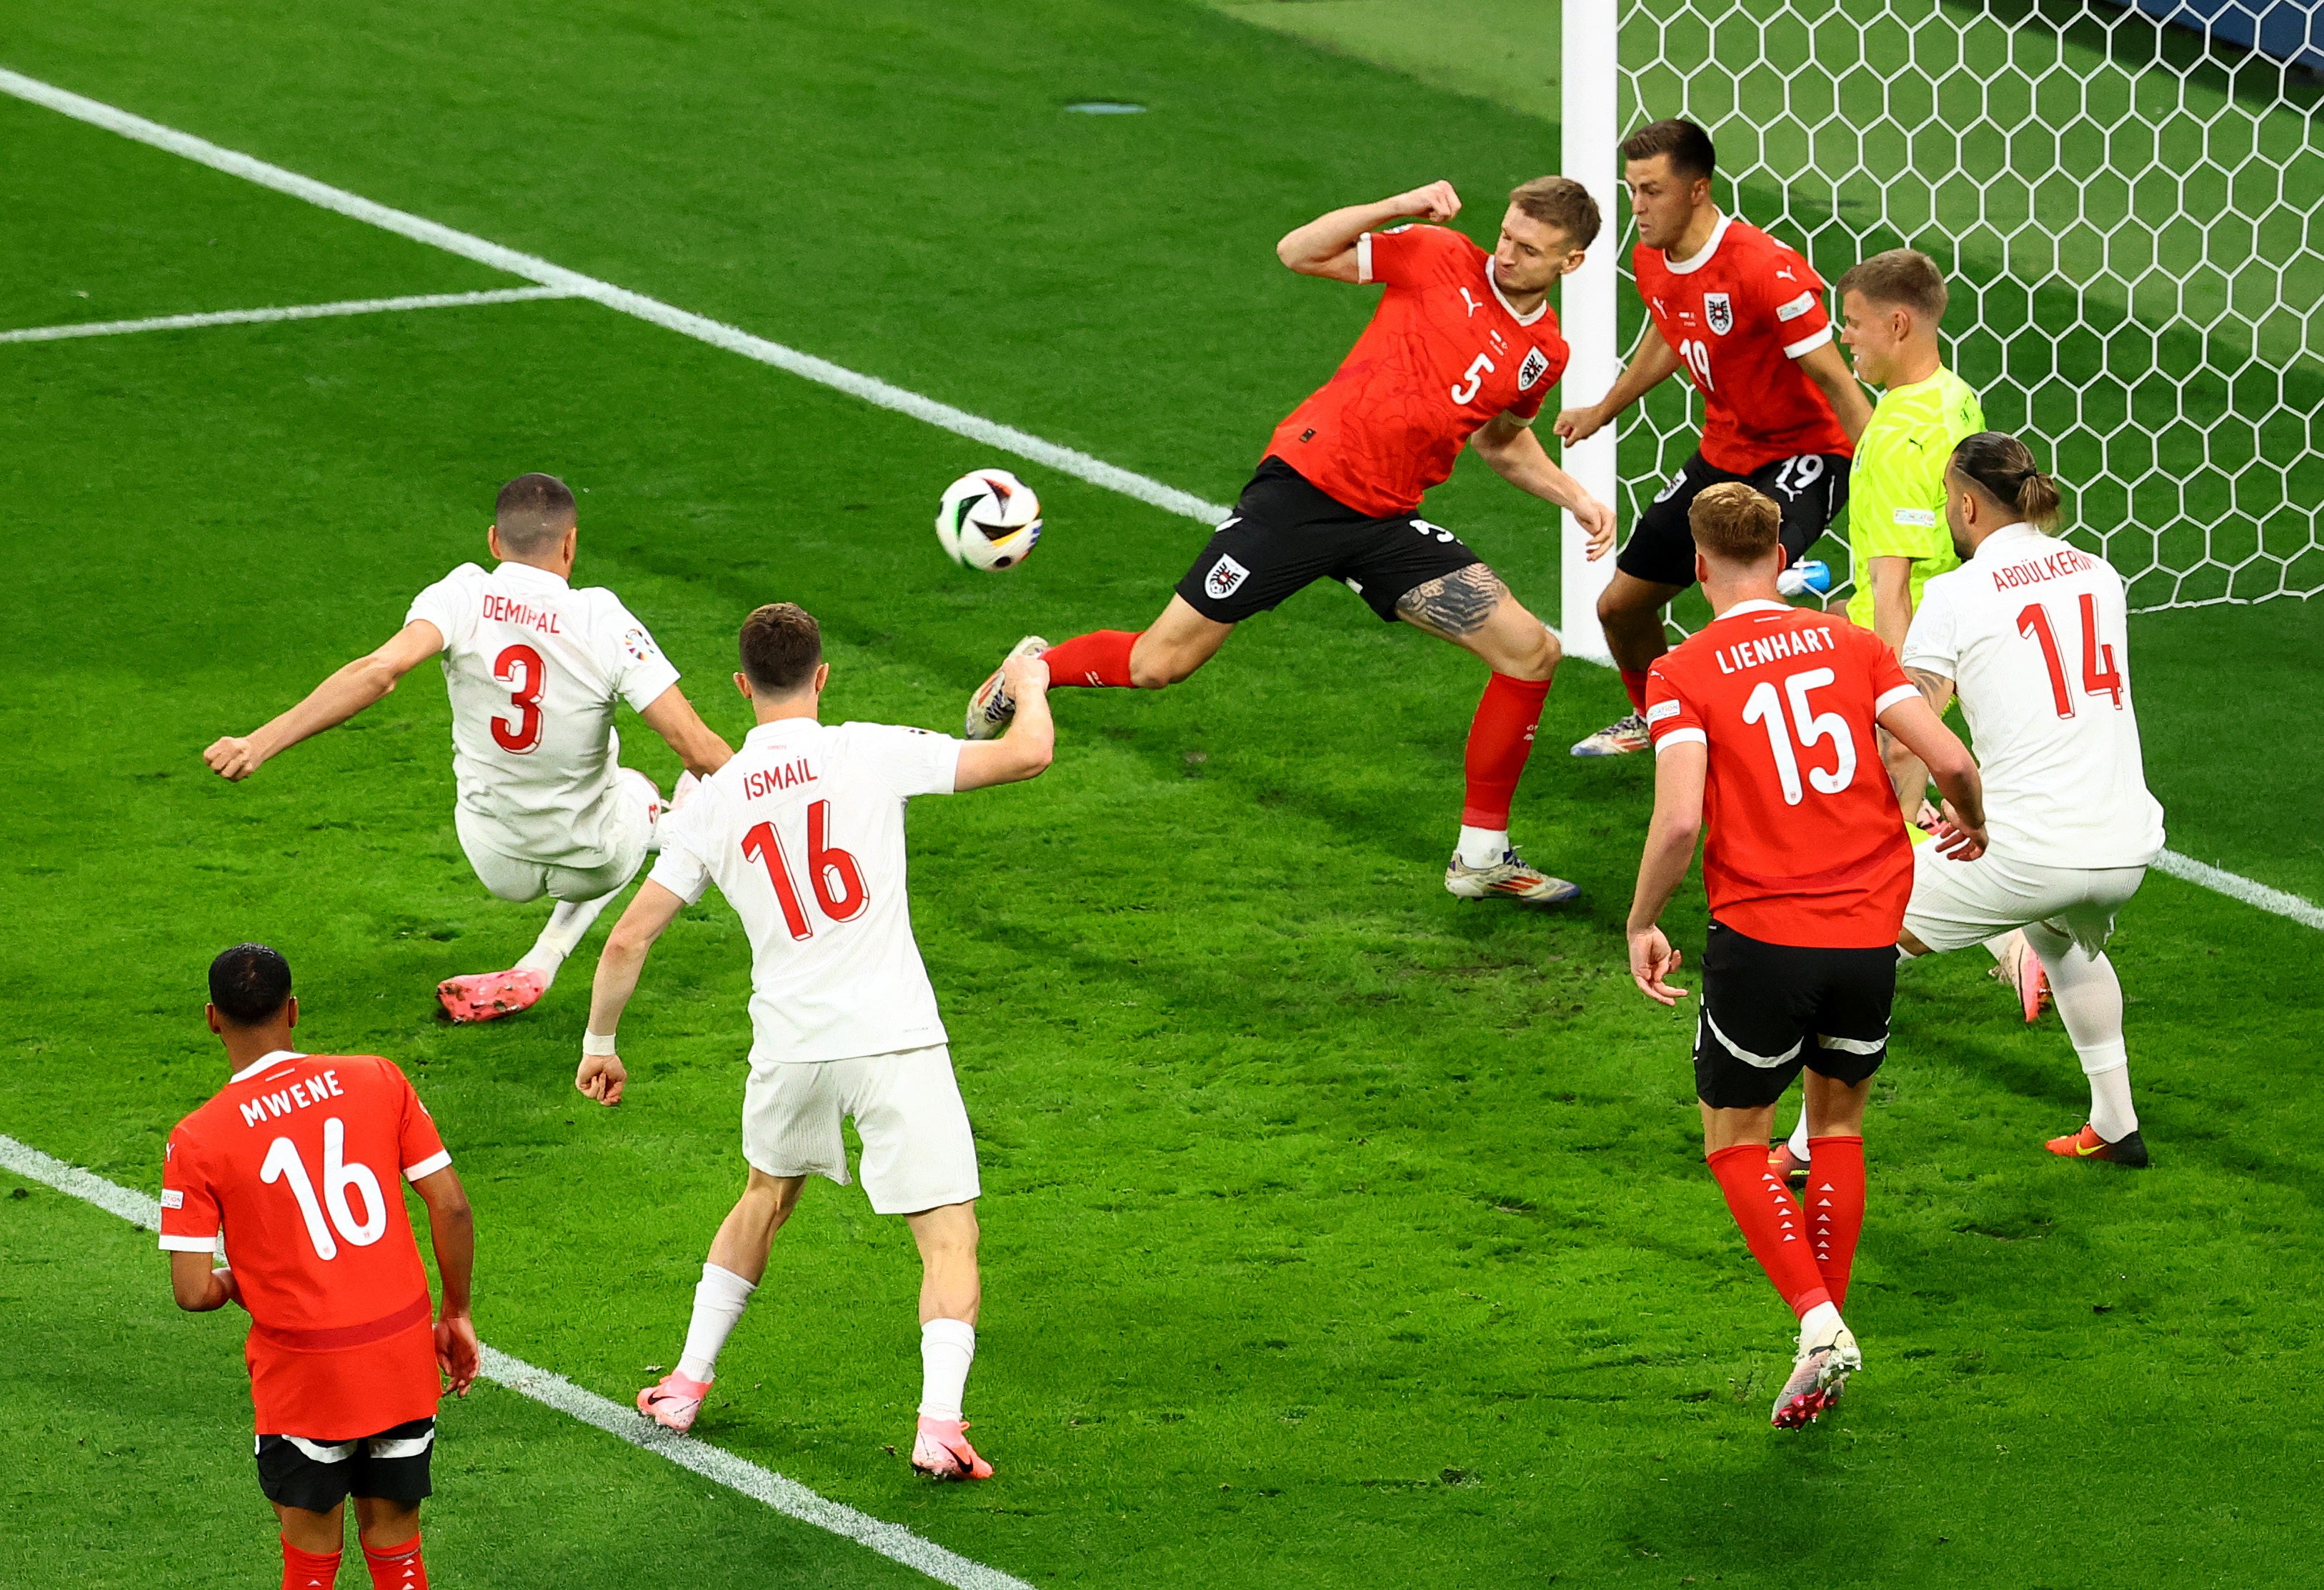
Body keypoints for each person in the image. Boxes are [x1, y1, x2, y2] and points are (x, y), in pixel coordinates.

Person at [963, 176, 1619, 903]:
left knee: (1530, 652)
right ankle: (1032, 673)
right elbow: (1298, 252)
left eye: (1529, 250)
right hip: (1305, 488)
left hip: (1385, 522)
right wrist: (1396, 206)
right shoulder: (1437, 254)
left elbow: (1504, 443)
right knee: (1159, 665)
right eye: (1505, 236)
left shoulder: (1542, 353)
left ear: (1571, 263)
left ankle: (1481, 858)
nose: (1506, 256)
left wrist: (1578, 498)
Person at [579, 603, 1054, 1480]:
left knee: (763, 1197)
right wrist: (1027, 683)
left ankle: (685, 1381)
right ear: (822, 676)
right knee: (948, 1236)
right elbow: (1028, 752)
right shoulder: (867, 749)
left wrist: (599, 1042)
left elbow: (626, 939)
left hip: (790, 1047)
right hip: (892, 1040)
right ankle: (938, 1426)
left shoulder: (714, 800)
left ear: (741, 685)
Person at [1625, 484, 1985, 1429]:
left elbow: (1676, 818)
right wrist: (1973, 825)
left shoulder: (1682, 671)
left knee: (1736, 1140)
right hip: (1869, 938)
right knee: (1836, 1130)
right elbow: (1947, 760)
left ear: (1700, 567)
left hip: (1762, 940)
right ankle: (1819, 1335)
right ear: (1781, 557)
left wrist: (1642, 919)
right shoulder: (1855, 643)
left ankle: (1818, 1321)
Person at [202, 474, 734, 1023]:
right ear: (571, 543)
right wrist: (788, 788)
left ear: (494, 542)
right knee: (647, 792)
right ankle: (682, 825)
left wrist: (258, 742)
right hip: (592, 857)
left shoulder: (461, 594)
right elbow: (693, 744)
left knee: (635, 803)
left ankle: (543, 960)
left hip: (493, 855)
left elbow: (380, 672)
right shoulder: (600, 617)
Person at [1770, 250, 2026, 1184]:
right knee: (1891, 858)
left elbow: (1893, 585)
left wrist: (1900, 705)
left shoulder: (1894, 438)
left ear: (1898, 324)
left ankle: (1811, 1129)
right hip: (1960, 651)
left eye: (1854, 322)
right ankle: (2020, 937)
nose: (1845, 337)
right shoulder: (1957, 400)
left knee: (1849, 894)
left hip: (1916, 671)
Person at [161, 943, 478, 1590]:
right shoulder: (378, 1077)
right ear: (294, 1010)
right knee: (398, 1548)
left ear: (212, 1019)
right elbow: (450, 1205)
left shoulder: (198, 1138)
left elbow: (194, 1292)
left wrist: (236, 1280)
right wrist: (456, 1313)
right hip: (399, 1355)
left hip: (305, 1375)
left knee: (310, 1563)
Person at [1556, 118, 1873, 756]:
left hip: (1804, 452)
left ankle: (1832, 653)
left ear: (1697, 189)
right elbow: (1670, 332)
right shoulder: (1652, 258)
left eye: (1651, 191)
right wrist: (1603, 408)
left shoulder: (1766, 270)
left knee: (1742, 596)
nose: (1638, 208)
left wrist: (1885, 472)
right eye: (1632, 190)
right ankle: (1657, 718)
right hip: (1723, 451)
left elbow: (1836, 383)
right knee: (1620, 608)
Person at [1894, 433, 2167, 1166]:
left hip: (2025, 849)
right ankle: (2116, 1124)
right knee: (2059, 935)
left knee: (1852, 935)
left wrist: (1900, 819)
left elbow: (1911, 728)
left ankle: (1797, 1146)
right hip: (2126, 844)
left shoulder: (1955, 593)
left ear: (1964, 503)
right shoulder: (2099, 574)